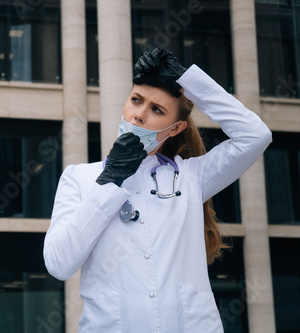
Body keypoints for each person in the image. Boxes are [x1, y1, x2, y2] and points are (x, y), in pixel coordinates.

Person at [43, 48, 272, 332]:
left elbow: (256, 135)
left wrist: (188, 81)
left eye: (157, 110)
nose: (139, 115)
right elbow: (58, 263)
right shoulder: (80, 178)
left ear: (175, 129)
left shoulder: (191, 177)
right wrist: (110, 181)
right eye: (136, 100)